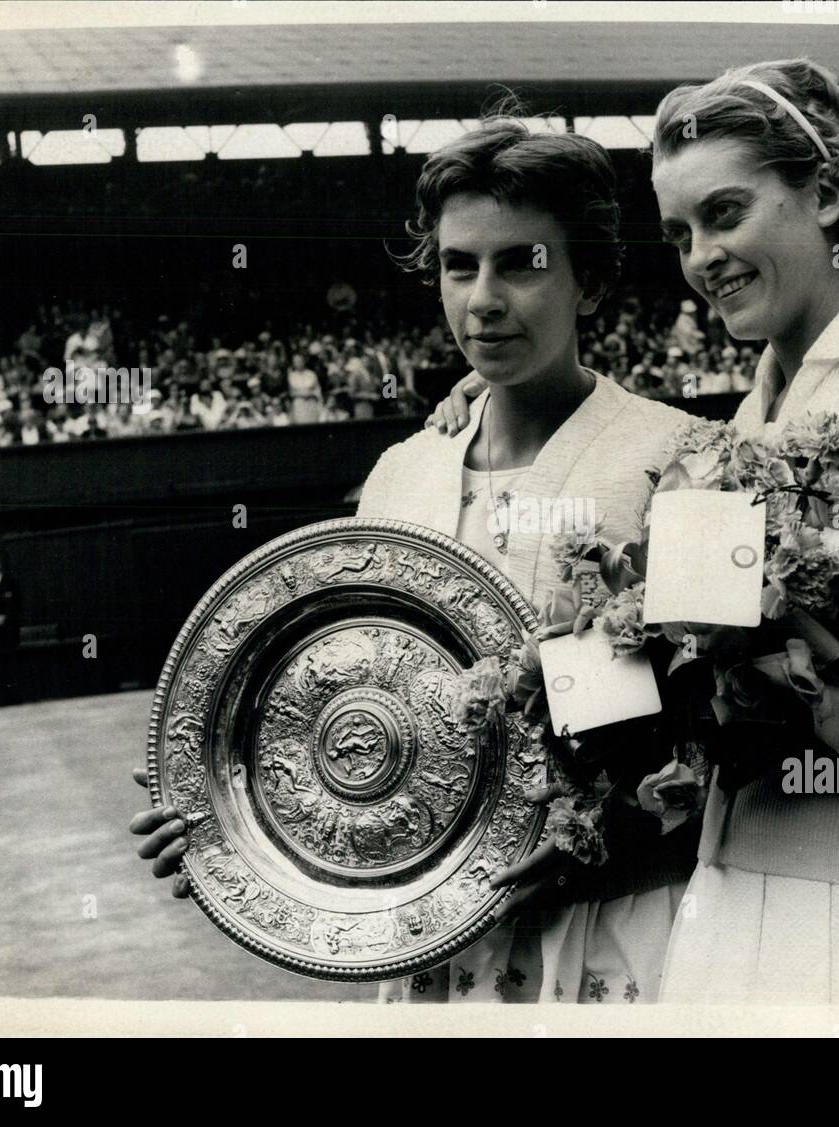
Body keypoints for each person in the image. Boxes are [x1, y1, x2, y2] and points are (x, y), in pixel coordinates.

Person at [427, 58, 839, 1006]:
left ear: (826, 194)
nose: (702, 257)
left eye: (726, 213)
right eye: (678, 233)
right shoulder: (743, 428)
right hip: (729, 910)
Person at [129, 112, 701, 1005]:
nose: (483, 297)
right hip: (429, 962)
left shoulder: (686, 458)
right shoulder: (401, 475)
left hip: (624, 939)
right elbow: (347, 723)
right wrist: (216, 815)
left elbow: (744, 741)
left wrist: (607, 839)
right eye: (458, 264)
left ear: (591, 283)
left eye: (522, 262)